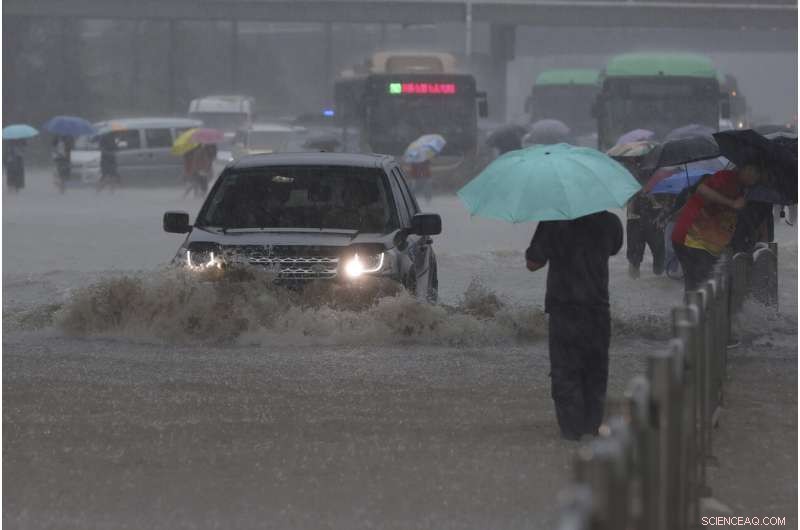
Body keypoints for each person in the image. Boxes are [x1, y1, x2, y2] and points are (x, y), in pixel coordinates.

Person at [525, 211, 624, 441]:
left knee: (565, 371)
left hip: (564, 308)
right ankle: (592, 429)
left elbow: (533, 263)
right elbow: (614, 248)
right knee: (596, 372)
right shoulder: (610, 221)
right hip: (598, 308)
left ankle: (571, 433)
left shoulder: (553, 220)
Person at [671, 163, 764, 291]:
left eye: (758, 173)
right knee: (701, 285)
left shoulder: (745, 189)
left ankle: (693, 308)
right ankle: (695, 308)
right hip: (693, 238)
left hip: (705, 241)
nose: (755, 176)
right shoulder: (727, 177)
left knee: (699, 285)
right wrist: (731, 203)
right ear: (743, 168)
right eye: (753, 171)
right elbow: (702, 189)